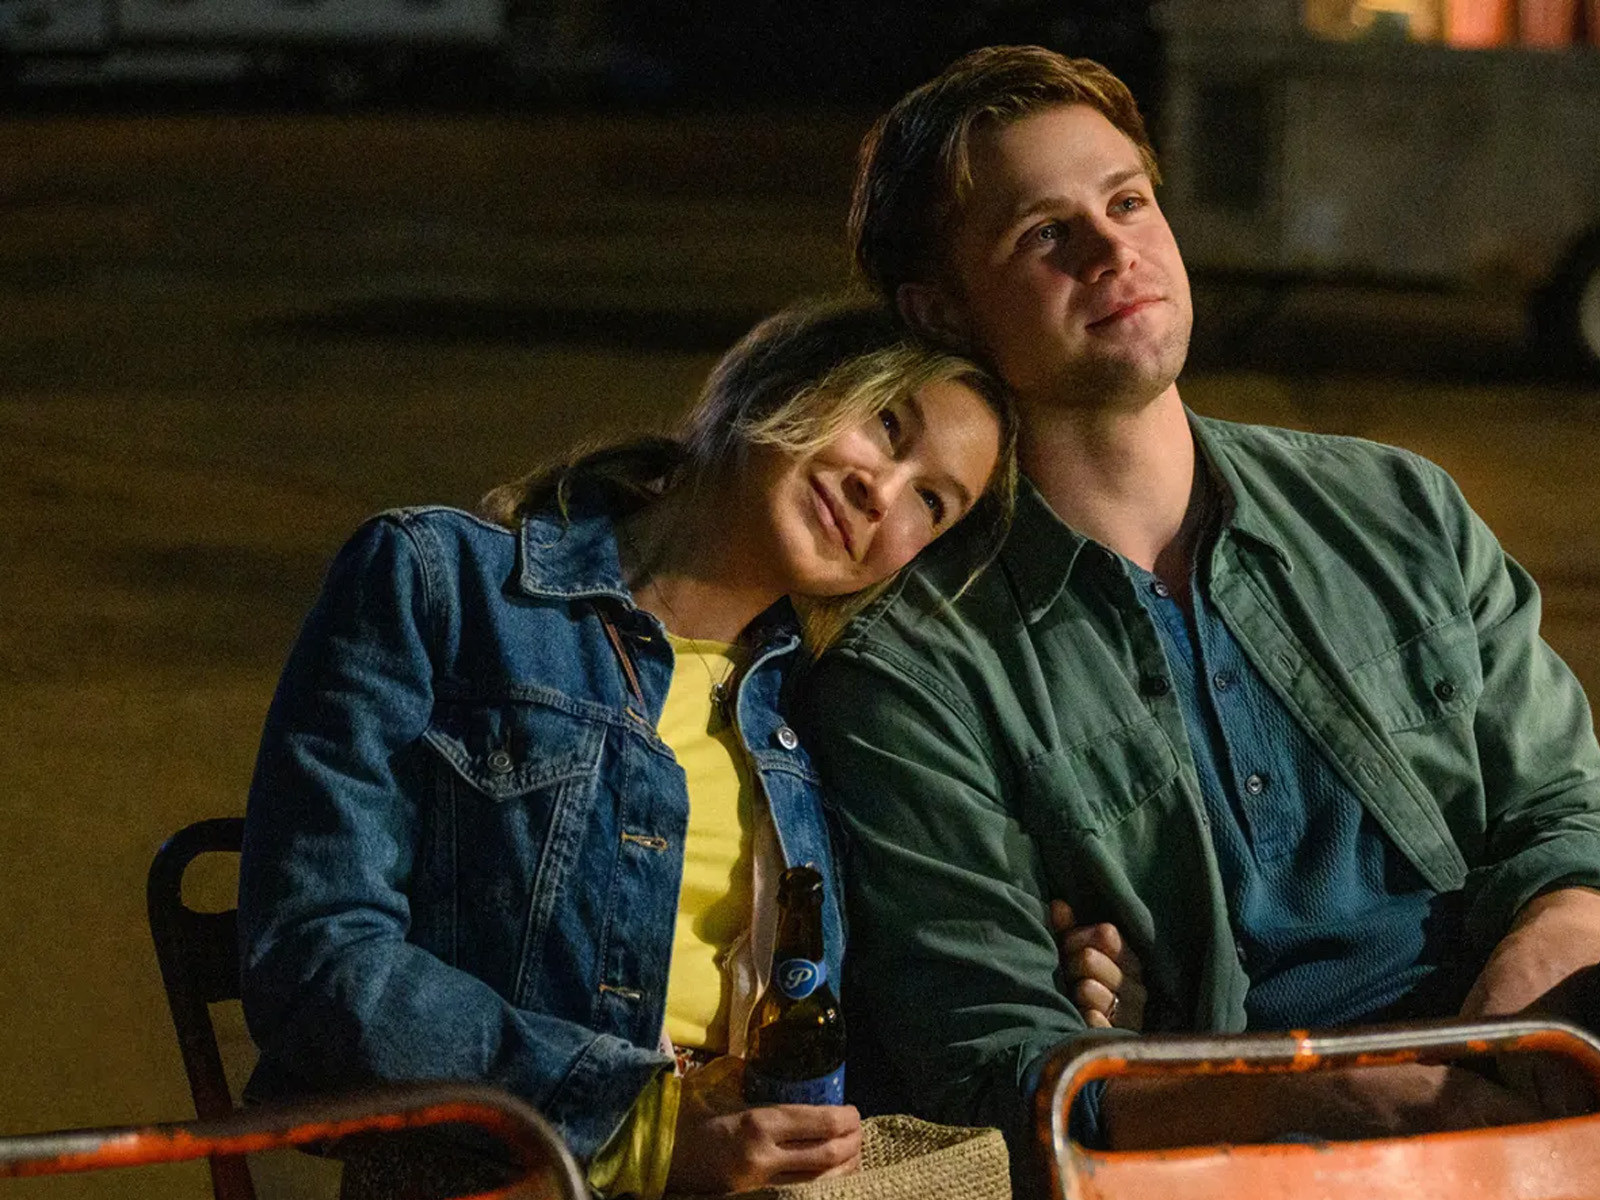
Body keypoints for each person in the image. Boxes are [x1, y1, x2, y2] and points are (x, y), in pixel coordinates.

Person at [799, 43, 1600, 1186]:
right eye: (1045, 233)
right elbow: (990, 1057)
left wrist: (1533, 992)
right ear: (944, 312)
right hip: (1232, 1156)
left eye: (1127, 201)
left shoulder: (1397, 508)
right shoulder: (915, 667)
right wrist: (1340, 1097)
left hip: (1529, 1066)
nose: (1112, 249)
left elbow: (1563, 809)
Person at [237, 300, 1017, 1199]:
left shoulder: (826, 713)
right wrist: (639, 1123)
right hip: (508, 1175)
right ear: (782, 380)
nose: (883, 492)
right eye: (886, 426)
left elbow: (879, 1004)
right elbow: (314, 958)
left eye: (931, 502)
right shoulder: (441, 584)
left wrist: (1062, 961)